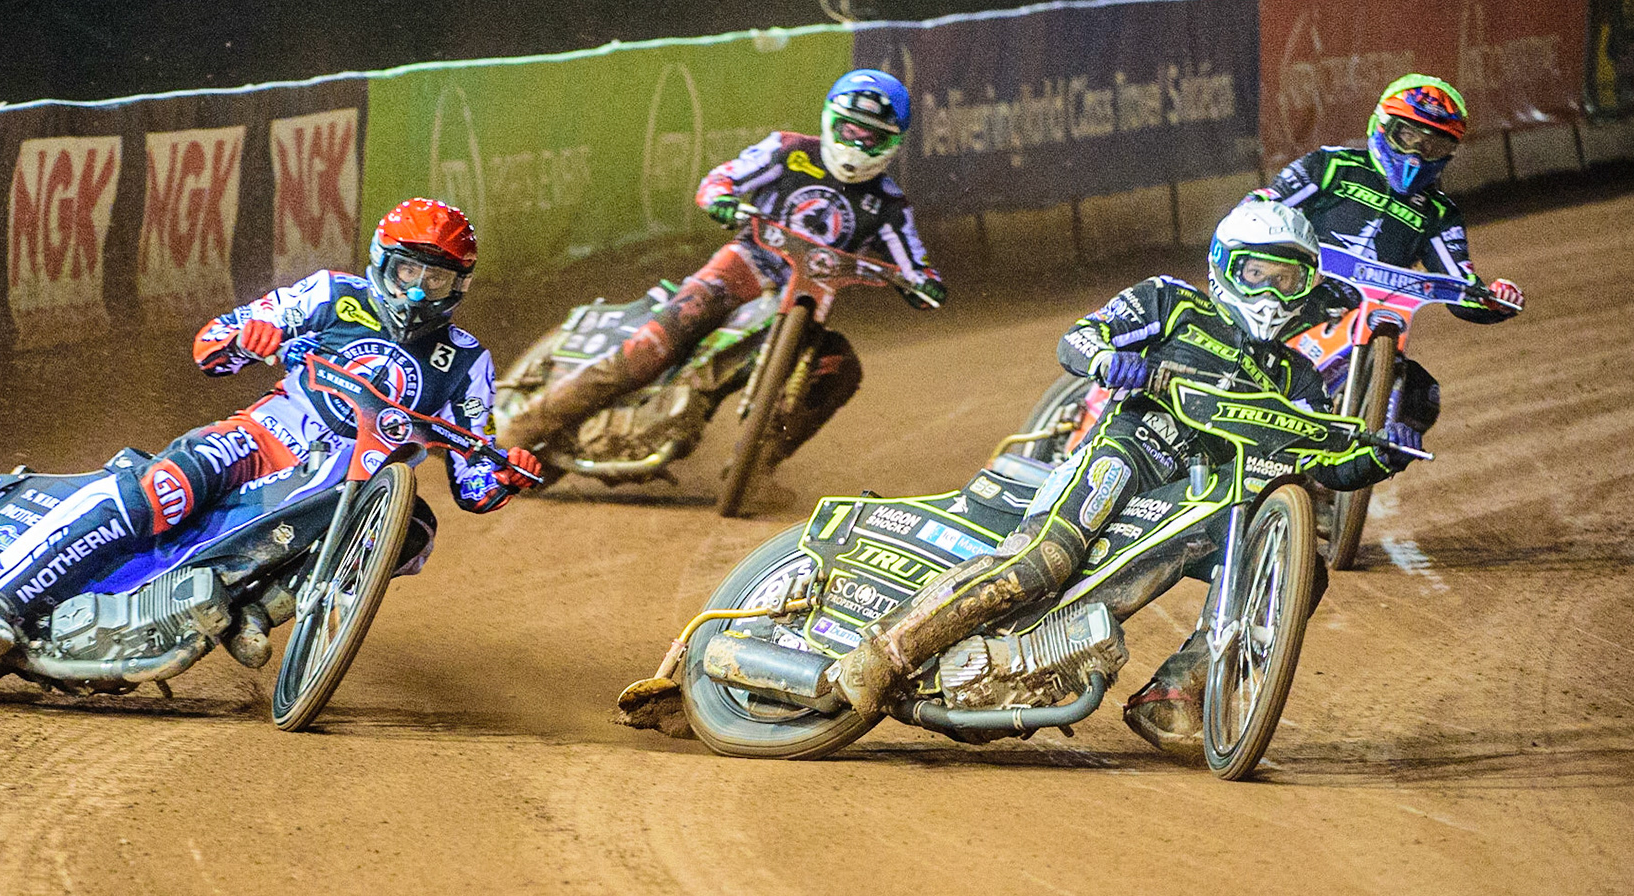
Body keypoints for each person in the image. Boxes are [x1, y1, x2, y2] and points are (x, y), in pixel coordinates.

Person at [826, 199, 1423, 732]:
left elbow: (1319, 461)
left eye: (1285, 278)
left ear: (1306, 287)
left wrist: (1379, 454)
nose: (1269, 294)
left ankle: (1176, 697)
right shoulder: (1172, 301)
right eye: (1256, 274)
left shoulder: (1298, 377)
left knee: (1303, 569)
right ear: (1224, 268)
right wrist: (1115, 361)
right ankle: (882, 654)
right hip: (1129, 455)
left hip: (1205, 502)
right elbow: (1079, 339)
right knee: (1045, 560)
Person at [0, 198, 543, 662]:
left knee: (413, 530)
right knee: (164, 488)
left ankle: (256, 609)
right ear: (381, 261)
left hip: (346, 493)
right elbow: (211, 346)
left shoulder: (468, 362)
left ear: (458, 285)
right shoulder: (330, 293)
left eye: (435, 278)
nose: (417, 288)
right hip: (261, 440)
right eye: (408, 268)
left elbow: (472, 480)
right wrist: (245, 340)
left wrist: (506, 474)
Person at [496, 69, 947, 461]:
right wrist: (723, 200)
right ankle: (518, 432)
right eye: (850, 129)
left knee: (840, 369)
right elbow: (722, 178)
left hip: (810, 299)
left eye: (872, 137)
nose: (857, 143)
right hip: (746, 264)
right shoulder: (787, 150)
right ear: (832, 121)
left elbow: (915, 262)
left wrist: (923, 284)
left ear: (893, 144)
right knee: (664, 335)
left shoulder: (889, 204)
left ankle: (761, 463)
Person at [1256, 73, 1523, 327]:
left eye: (1433, 147)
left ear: (1448, 153)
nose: (1416, 156)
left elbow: (1460, 286)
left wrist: (1496, 300)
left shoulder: (1439, 214)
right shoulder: (1332, 165)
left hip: (1368, 327)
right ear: (1383, 126)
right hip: (1285, 302)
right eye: (1407, 136)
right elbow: (1262, 210)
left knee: (1421, 379)